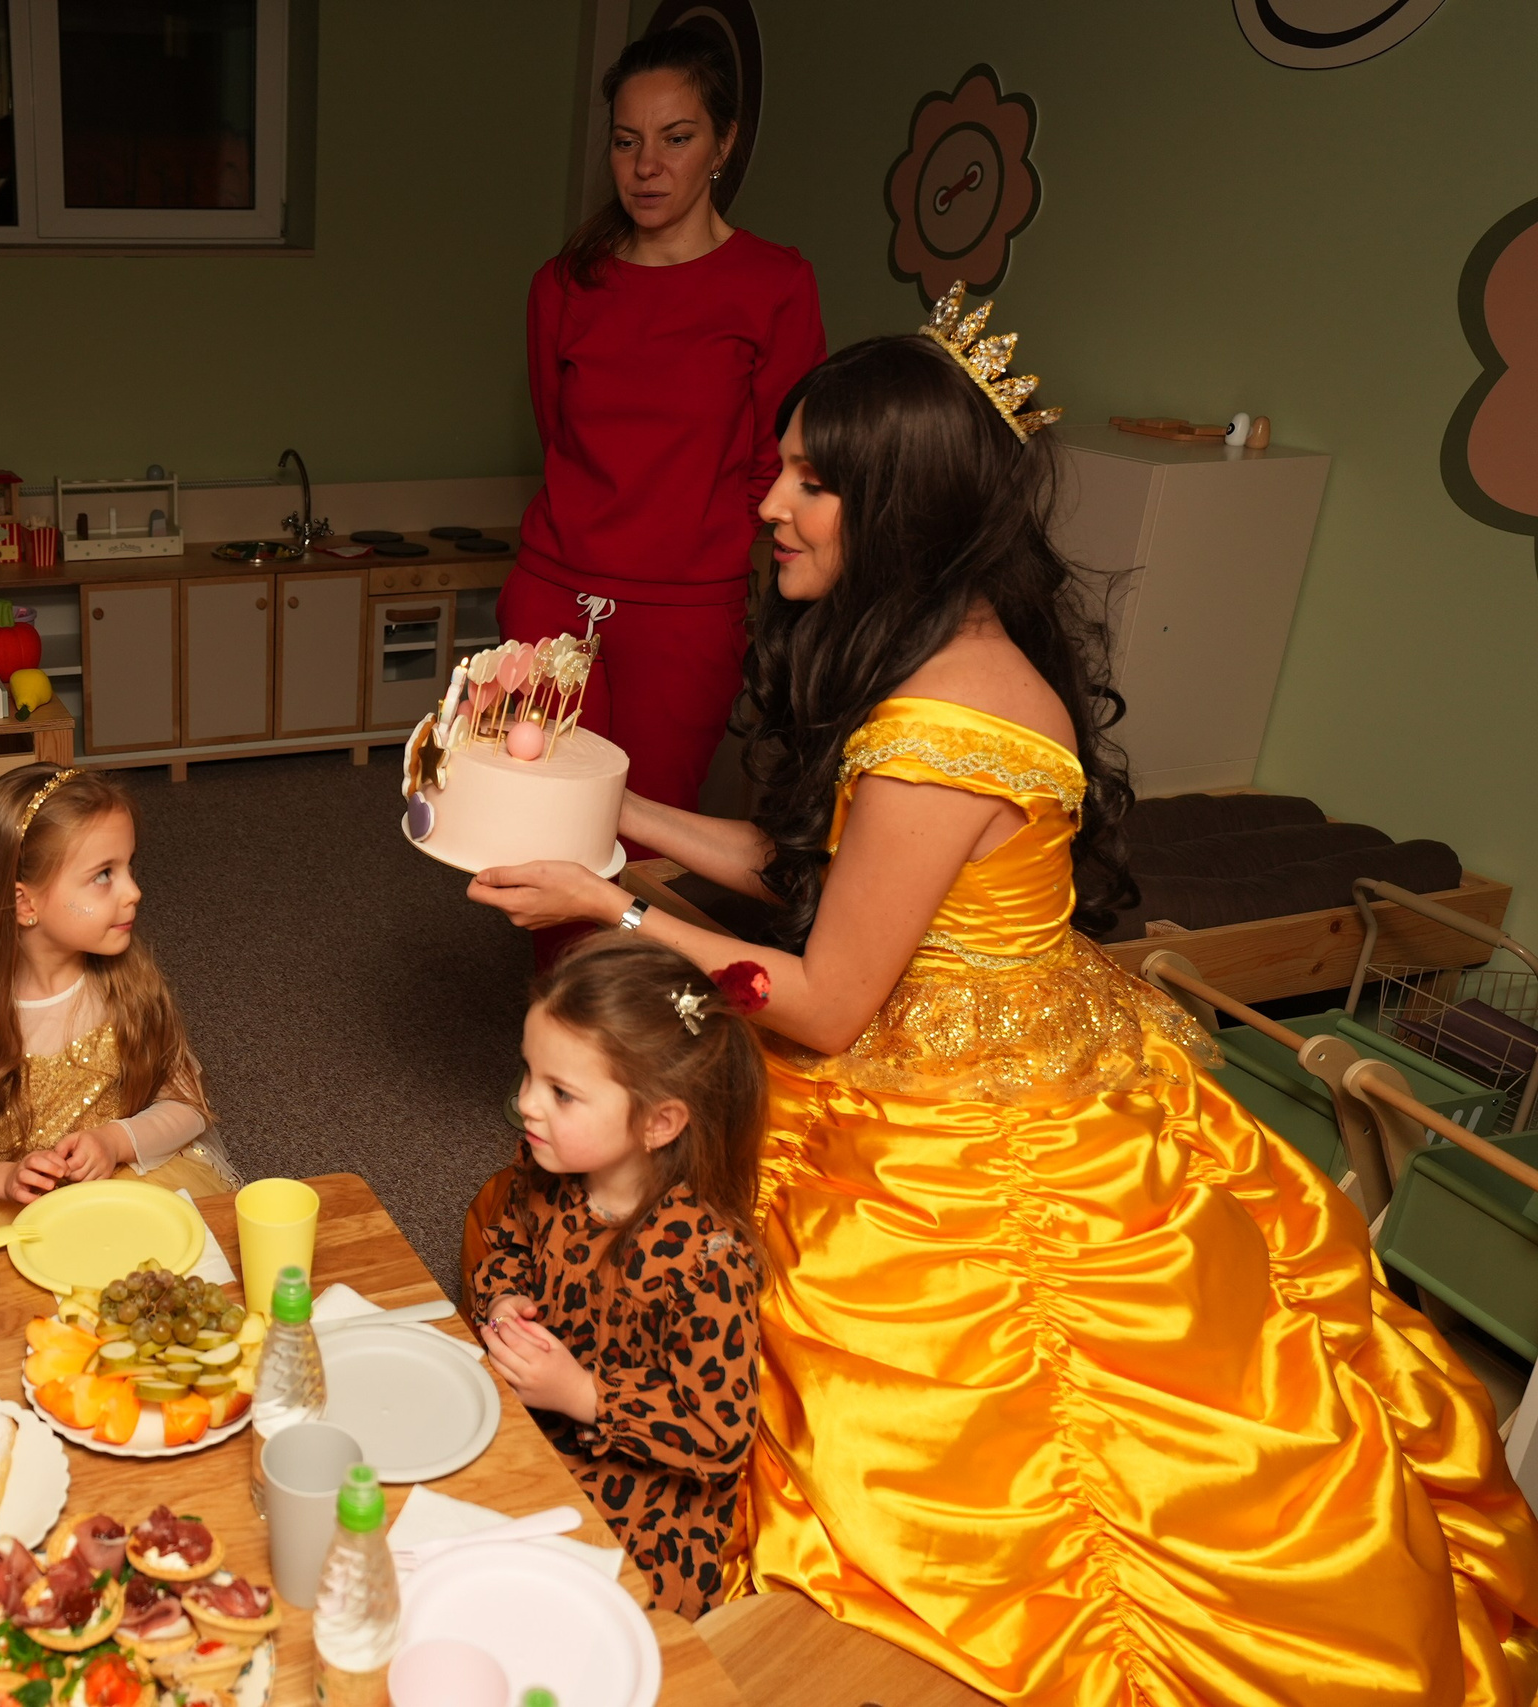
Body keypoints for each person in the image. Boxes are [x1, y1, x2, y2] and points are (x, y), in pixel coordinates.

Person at [466, 296, 1538, 1703]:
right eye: (781, 464)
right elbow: (808, 870)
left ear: (900, 505)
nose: (772, 501)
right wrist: (610, 823)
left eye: (811, 478)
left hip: (972, 1105)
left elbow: (830, 995)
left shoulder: (938, 724)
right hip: (1028, 1018)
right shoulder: (938, 647)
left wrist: (607, 912)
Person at [507, 23, 824, 855]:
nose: (646, 166)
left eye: (675, 139)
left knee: (645, 848)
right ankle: (555, 995)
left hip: (683, 613)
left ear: (724, 142)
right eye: (626, 141)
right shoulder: (562, 285)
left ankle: (623, 995)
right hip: (550, 591)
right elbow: (557, 429)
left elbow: (780, 463)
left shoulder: (774, 285)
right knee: (539, 831)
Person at [466, 933, 767, 1618]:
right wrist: (506, 1295)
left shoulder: (705, 1262)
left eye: (562, 1093)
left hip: (645, 1496)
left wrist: (585, 1393)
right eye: (528, 1073)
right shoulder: (548, 1166)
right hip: (538, 1425)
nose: (527, 1103)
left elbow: (718, 1434)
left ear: (660, 1122)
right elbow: (505, 1239)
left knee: (570, 1610)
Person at [0, 765, 238, 1244]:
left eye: (129, 867)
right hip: (12, 1212)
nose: (134, 891)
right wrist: (3, 1179)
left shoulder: (130, 989)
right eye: (104, 875)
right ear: (25, 904)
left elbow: (188, 1104)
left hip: (127, 1179)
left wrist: (115, 1141)